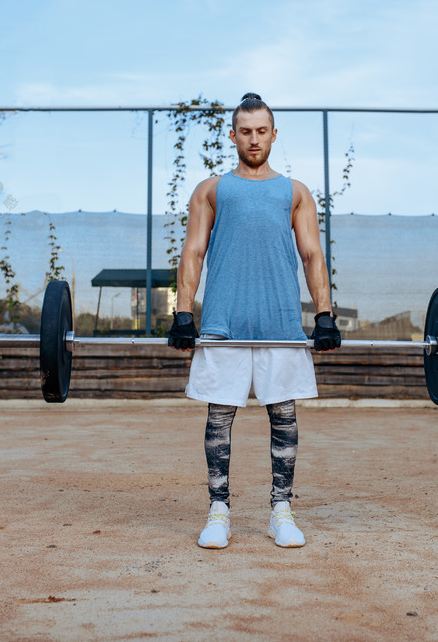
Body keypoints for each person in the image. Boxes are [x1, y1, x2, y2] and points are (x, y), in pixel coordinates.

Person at [168, 92, 342, 549]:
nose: (253, 139)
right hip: (223, 320)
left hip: (280, 322)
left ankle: (280, 511)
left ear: (273, 134)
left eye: (261, 131)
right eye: (245, 131)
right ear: (233, 135)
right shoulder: (211, 190)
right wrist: (183, 311)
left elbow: (311, 254)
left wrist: (324, 313)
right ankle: (219, 511)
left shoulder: (295, 192)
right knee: (219, 416)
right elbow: (193, 252)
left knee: (283, 416)